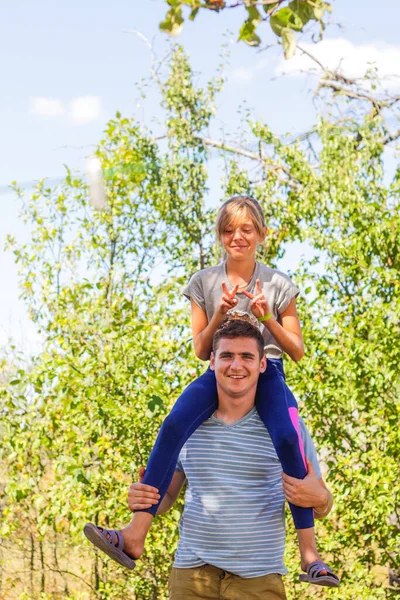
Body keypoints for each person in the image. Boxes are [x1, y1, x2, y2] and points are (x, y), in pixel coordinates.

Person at [84, 195, 339, 586]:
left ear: (262, 234)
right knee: (172, 425)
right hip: (218, 370)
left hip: (267, 371)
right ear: (221, 236)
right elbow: (202, 349)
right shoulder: (204, 281)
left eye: (247, 229)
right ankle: (135, 535)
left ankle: (309, 555)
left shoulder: (277, 284)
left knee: (288, 438)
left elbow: (298, 350)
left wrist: (266, 316)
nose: (238, 236)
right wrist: (220, 311)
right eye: (229, 230)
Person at [128, 316, 339, 598]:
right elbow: (167, 499)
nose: (236, 365)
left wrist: (321, 498)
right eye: (227, 355)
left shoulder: (289, 428)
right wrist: (144, 497)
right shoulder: (187, 424)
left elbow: (321, 502)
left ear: (262, 364)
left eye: (246, 356)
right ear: (212, 361)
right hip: (191, 578)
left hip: (258, 581)